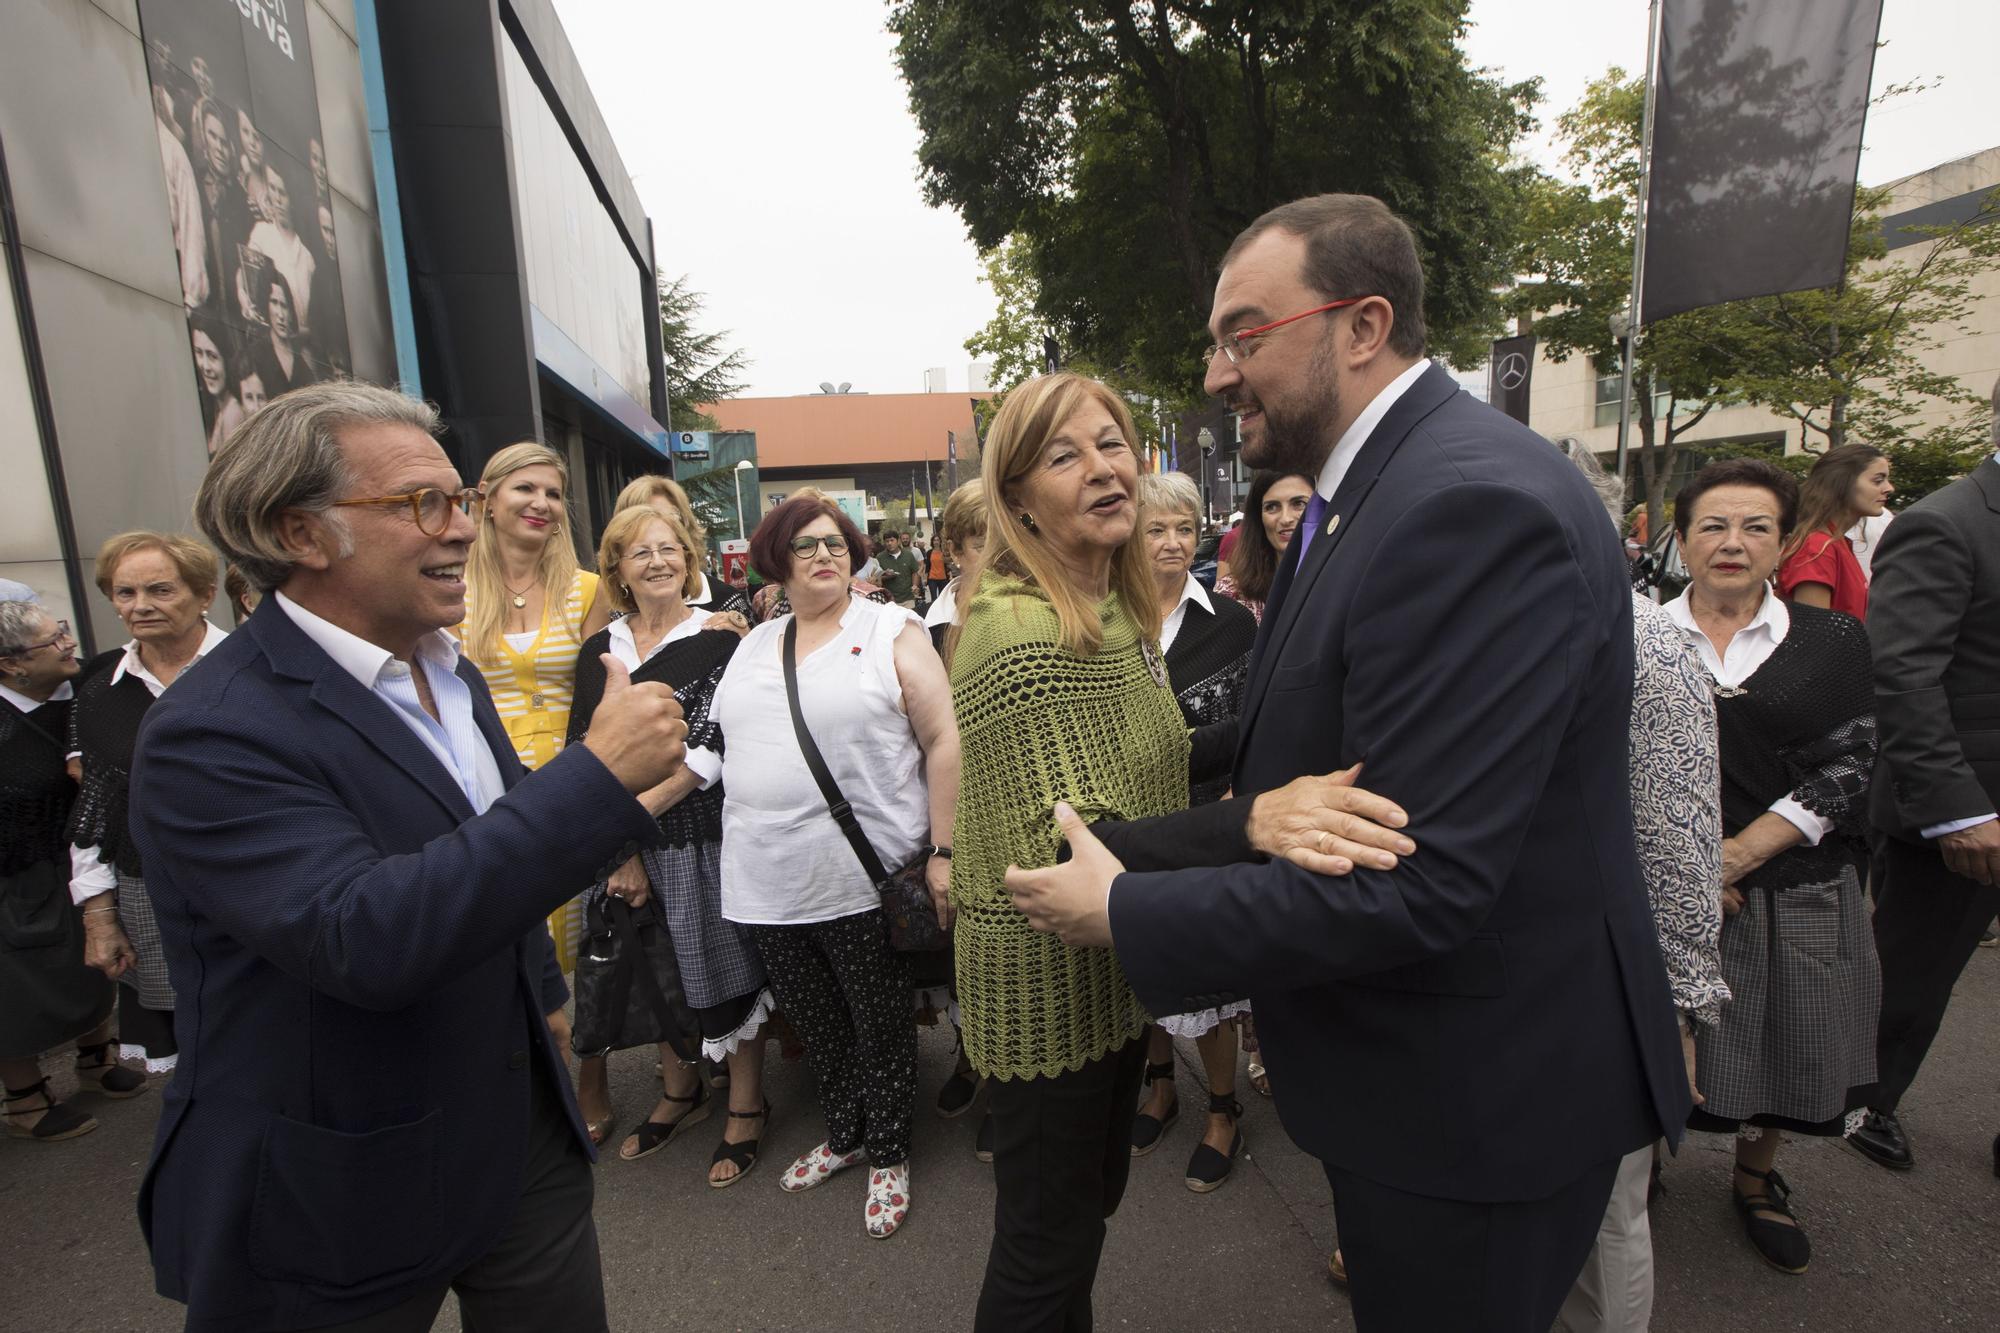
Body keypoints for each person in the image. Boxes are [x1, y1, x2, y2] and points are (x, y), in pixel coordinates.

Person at [1003, 195, 1689, 1332]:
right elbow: (1318, 780)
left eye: (1244, 334)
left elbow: (1416, 880)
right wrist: (1184, 835)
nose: (1220, 373)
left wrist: (1124, 911)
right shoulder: (1376, 491)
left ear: (1361, 327)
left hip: (1475, 1106)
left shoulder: (1460, 504)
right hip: (1439, 1085)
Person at [132, 381, 688, 1331]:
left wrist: (545, 996)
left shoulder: (448, 668)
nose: (463, 531)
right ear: (300, 533)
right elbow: (365, 934)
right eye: (420, 504)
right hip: (339, 1183)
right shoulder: (208, 732)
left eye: (461, 500)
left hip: (518, 1143)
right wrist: (596, 779)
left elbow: (492, 852)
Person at [948, 375, 1406, 1326]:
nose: (1104, 467)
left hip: (1107, 966)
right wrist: (1251, 820)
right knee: (1044, 1248)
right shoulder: (1019, 628)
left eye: (1112, 442)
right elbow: (1082, 846)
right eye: (1065, 454)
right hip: (1042, 979)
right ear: (1018, 492)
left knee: (1087, 1215)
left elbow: (1152, 758)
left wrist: (1286, 739)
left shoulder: (1108, 607)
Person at [709, 494, 957, 1239]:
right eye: (808, 546)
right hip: (764, 881)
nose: (826, 556)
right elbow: (718, 742)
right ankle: (846, 1135)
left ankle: (888, 1152)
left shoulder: (890, 629)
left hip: (859, 878)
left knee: (879, 1023)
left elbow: (944, 739)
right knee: (819, 1025)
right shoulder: (754, 644)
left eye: (837, 544)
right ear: (777, 561)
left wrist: (942, 851)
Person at [1661, 458, 1880, 1275]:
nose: (1732, 542)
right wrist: (1686, 865)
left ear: (1784, 542)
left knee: (1783, 1038)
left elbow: (1854, 759)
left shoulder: (1831, 640)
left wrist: (1741, 851)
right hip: (1666, 882)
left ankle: (1755, 1178)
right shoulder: (1639, 637)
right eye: (1713, 525)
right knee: (1651, 1035)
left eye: (1755, 526)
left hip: (1790, 881)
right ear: (1681, 539)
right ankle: (1637, 1165)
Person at [1559, 443, 1729, 1333]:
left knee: (1610, 1208)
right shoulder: (1486, 636)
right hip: (1501, 986)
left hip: (1611, 976)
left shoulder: (1652, 643)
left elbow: (1680, 841)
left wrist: (1679, 1005)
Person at [567, 505, 770, 1181]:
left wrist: (632, 819)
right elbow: (583, 753)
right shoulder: (601, 651)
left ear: (688, 559)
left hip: (696, 831)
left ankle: (745, 1105)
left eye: (669, 549)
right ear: (617, 570)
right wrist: (621, 848)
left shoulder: (719, 637)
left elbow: (711, 744)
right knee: (657, 966)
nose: (657, 561)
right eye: (639, 552)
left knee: (720, 962)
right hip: (621, 839)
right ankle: (679, 1092)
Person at [1848, 384, 2000, 1178]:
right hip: (1959, 813)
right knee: (1907, 978)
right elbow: (1902, 672)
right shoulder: (1947, 522)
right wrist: (1957, 808)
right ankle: (1862, 1102)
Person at [1126, 471, 1259, 1190]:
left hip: (1206, 818)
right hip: (1131, 826)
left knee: (1206, 978)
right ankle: (1159, 1085)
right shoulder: (1106, 619)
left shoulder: (1231, 624)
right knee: (1137, 961)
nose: (1175, 542)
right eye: (1157, 529)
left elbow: (1253, 723)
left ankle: (1223, 1108)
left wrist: (1186, 752)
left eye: (1185, 528)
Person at [69, 532, 230, 1076]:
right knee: (189, 1055)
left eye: (160, 590)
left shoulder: (255, 668)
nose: (140, 606)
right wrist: (99, 914)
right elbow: (95, 806)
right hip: (149, 895)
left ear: (205, 593)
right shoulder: (101, 684)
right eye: (124, 593)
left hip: (255, 882)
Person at [456, 442, 613, 985]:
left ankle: (584, 1069)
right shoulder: (454, 591)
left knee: (585, 946)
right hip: (486, 779)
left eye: (553, 493)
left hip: (572, 777)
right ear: (489, 501)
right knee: (504, 942)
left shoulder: (587, 590)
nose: (541, 503)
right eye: (525, 488)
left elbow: (603, 694)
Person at [2, 603, 148, 1143]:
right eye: (51, 641)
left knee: (92, 963)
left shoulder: (89, 684)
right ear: (11, 665)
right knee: (18, 982)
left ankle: (96, 1059)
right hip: (17, 867)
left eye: (63, 629)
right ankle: (24, 1098)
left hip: (83, 855)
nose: (68, 642)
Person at [1776, 444, 1894, 620]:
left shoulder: (1836, 543)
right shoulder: (1816, 548)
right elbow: (1816, 633)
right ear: (1842, 483)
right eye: (1877, 480)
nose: (1889, 488)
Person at [612, 474, 754, 618]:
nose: (658, 526)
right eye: (644, 518)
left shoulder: (725, 601)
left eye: (670, 518)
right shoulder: (613, 612)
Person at [1212, 469, 1313, 623]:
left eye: (1299, 504)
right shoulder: (1232, 594)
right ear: (1259, 517)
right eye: (1272, 507)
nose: (1285, 518)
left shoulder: (1347, 584)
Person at [246, 162, 316, 336]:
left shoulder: (308, 259)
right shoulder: (261, 233)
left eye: (282, 193)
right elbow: (245, 277)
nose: (276, 199)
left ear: (292, 198)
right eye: (272, 189)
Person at [923, 480, 988, 657]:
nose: (997, 558)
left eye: (1007, 545)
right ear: (955, 551)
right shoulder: (925, 631)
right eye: (982, 547)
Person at [875, 528, 921, 607]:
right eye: (887, 541)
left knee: (909, 619)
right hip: (890, 600)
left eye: (892, 540)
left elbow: (914, 572)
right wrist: (886, 576)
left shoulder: (908, 555)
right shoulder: (880, 557)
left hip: (908, 598)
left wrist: (915, 585)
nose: (889, 543)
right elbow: (876, 578)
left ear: (898, 541)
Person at [926, 534, 949, 604]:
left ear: (940, 541)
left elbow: (947, 565)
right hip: (932, 578)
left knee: (942, 598)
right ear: (932, 542)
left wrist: (949, 574)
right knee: (934, 598)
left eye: (937, 540)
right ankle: (935, 614)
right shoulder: (929, 552)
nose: (936, 542)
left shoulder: (944, 552)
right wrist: (925, 578)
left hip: (943, 578)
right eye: (934, 540)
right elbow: (927, 565)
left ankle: (942, 614)